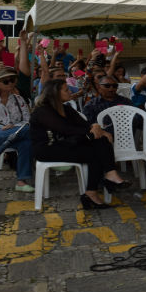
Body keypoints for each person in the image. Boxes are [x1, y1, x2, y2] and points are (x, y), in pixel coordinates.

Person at [31, 79, 131, 209]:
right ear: (55, 93)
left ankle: (100, 184)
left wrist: (97, 129)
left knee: (100, 143)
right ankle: (104, 181)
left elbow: (84, 124)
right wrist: (93, 131)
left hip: (65, 145)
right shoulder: (43, 111)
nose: (70, 91)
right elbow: (65, 129)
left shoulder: (65, 108)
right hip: (47, 149)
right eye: (66, 90)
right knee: (97, 147)